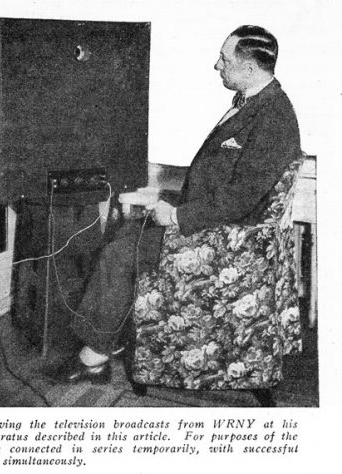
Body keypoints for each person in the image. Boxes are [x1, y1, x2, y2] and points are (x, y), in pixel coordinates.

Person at [56, 25, 302, 384]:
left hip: (223, 237)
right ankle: (111, 339)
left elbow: (241, 196)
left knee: (119, 254)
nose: (216, 65)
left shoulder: (273, 116)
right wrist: (170, 202)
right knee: (123, 236)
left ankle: (93, 358)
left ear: (250, 69)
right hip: (212, 219)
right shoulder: (255, 102)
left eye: (224, 59)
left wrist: (176, 215)